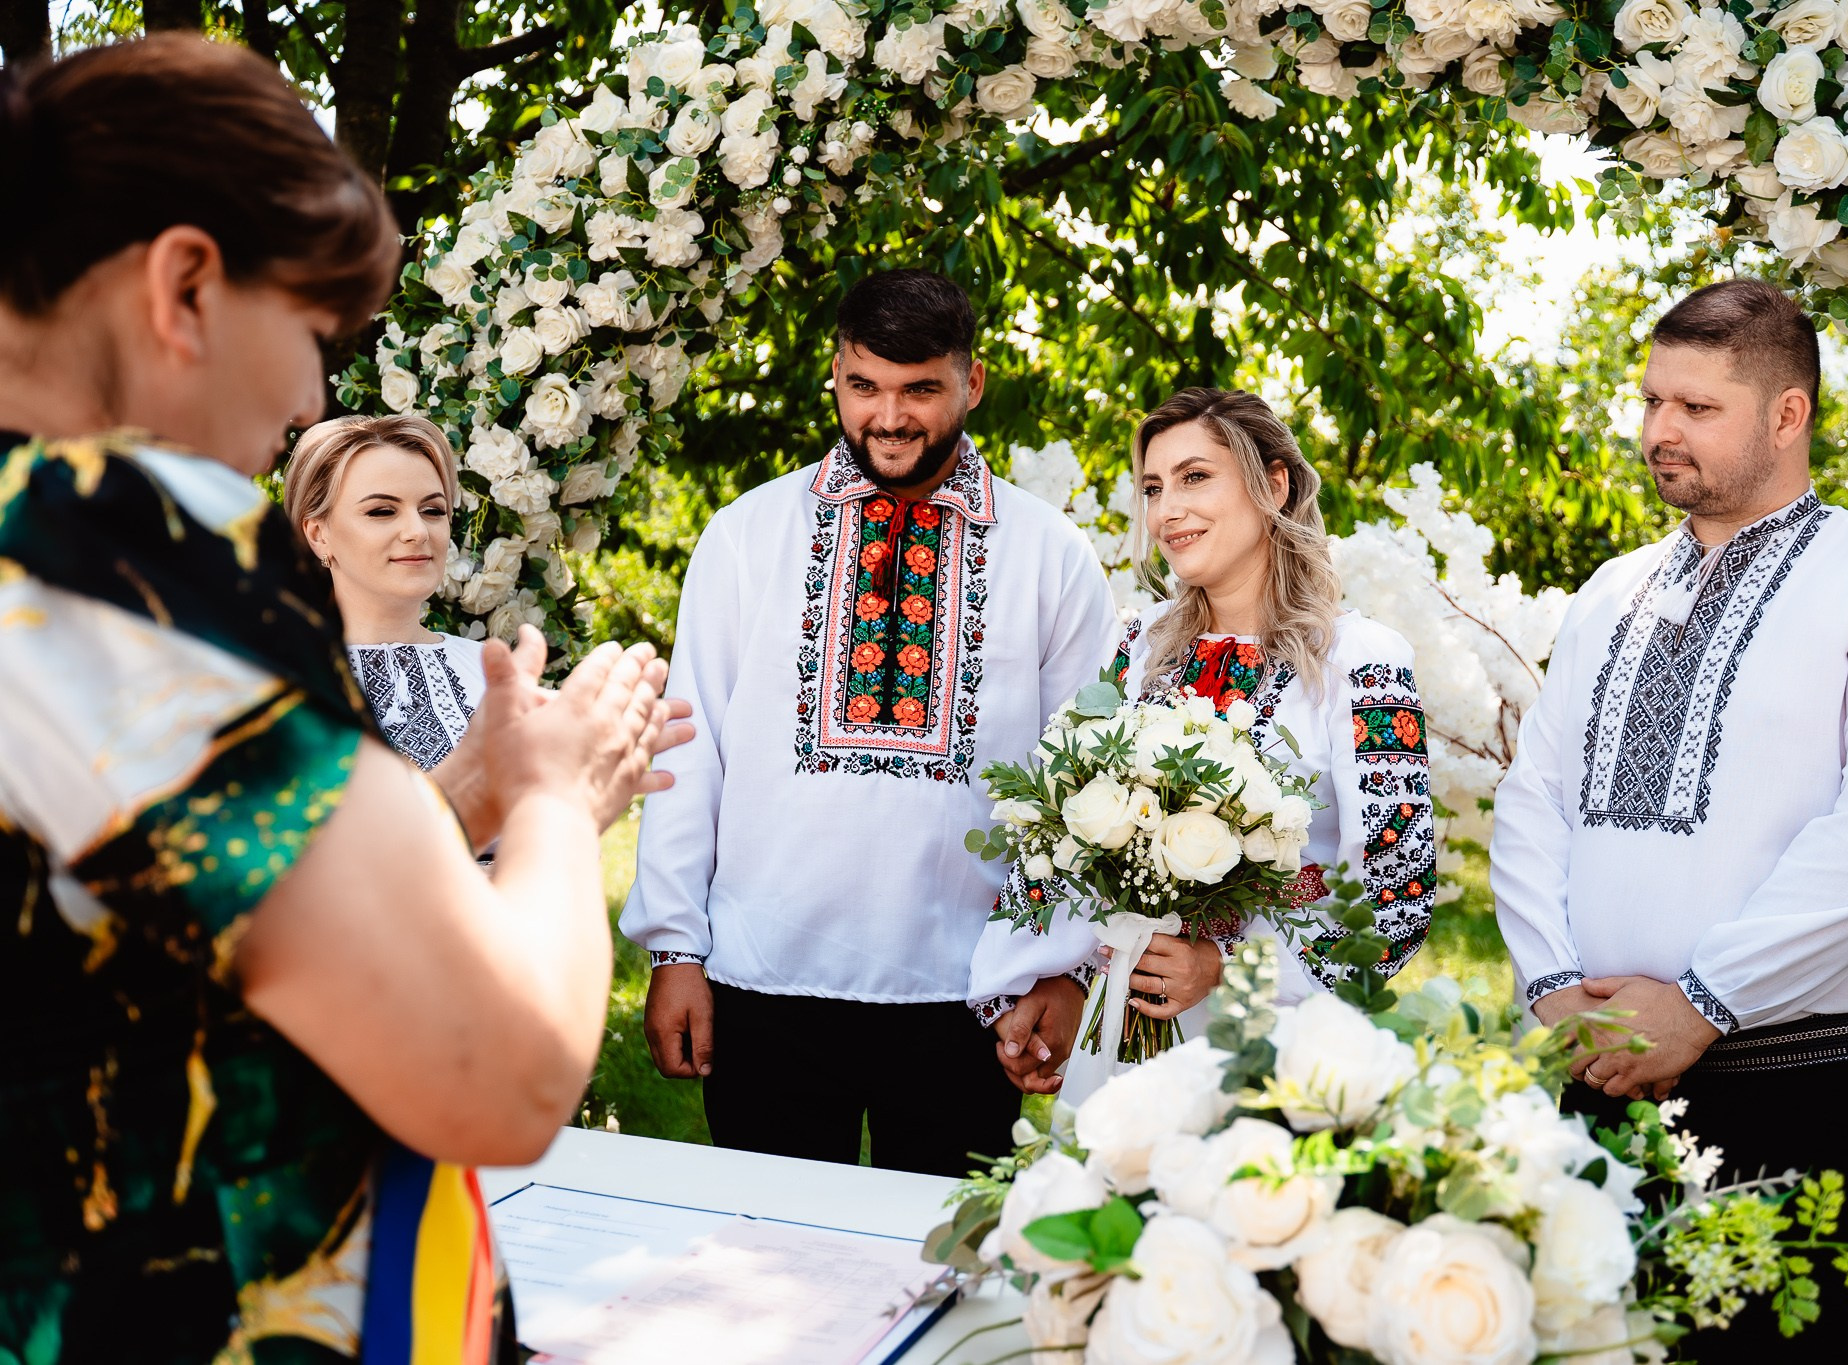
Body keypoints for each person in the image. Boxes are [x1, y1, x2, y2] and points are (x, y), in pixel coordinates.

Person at [0, 36, 688, 1363]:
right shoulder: (106, 552)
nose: (312, 396)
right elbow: (498, 1072)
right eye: (311, 329)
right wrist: (553, 807)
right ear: (186, 285)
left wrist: (463, 794)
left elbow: (156, 942)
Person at [1490, 279, 1848, 1360]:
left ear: (1786, 414)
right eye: (1650, 402)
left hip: (1818, 1097)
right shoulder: (1609, 592)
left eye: (1695, 408)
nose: (1657, 432)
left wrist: (1705, 1002)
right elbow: (1533, 800)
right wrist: (1554, 995)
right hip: (1608, 1086)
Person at [624, 268, 1118, 1176]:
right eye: (865, 386)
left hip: (969, 987)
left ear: (971, 382)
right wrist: (674, 950)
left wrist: (1059, 966)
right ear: (837, 379)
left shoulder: (1051, 555)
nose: (888, 416)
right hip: (760, 974)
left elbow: (1085, 779)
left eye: (919, 389)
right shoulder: (747, 534)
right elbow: (690, 751)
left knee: (933, 1280)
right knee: (762, 1260)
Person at [967, 387, 1437, 1098]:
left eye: (1194, 477)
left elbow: (1396, 896)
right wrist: (1044, 979)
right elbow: (1061, 834)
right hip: (1125, 1033)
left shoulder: (1360, 662)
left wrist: (1231, 967)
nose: (1167, 511)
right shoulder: (1137, 646)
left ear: (1272, 484)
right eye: (1153, 488)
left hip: (1280, 1049)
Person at [285, 414, 485, 772]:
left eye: (432, 510)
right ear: (318, 534)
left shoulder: (491, 674)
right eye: (382, 511)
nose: (418, 531)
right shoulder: (272, 682)